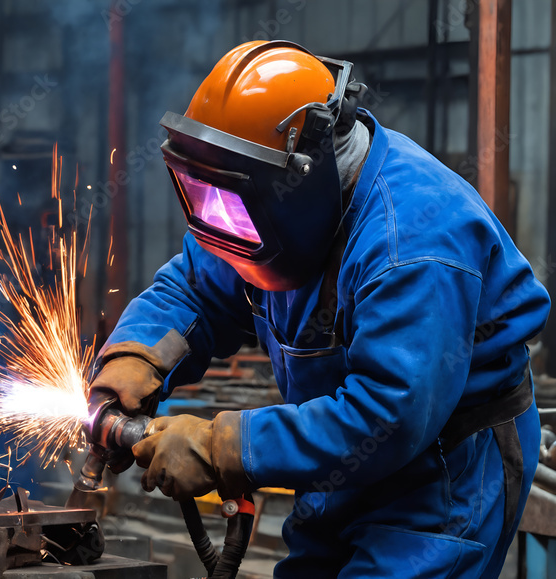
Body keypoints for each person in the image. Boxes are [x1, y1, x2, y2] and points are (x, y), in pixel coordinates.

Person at [88, 40, 550, 577]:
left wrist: (222, 448)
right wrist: (136, 358)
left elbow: (387, 414)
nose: (220, 215)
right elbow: (194, 287)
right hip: (334, 458)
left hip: (441, 471)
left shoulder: (412, 242)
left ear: (299, 180)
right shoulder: (250, 199)